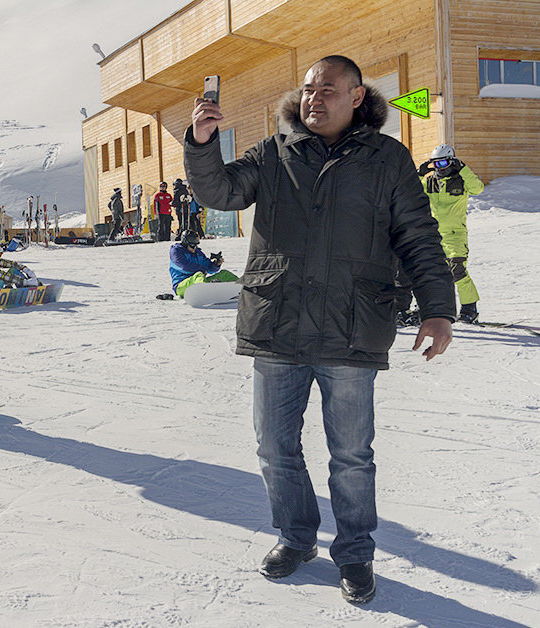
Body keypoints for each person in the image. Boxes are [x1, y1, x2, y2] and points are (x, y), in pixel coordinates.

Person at [184, 55, 456, 604]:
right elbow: (222, 194)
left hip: (352, 326)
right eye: (309, 89)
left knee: (352, 455)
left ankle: (354, 554)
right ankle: (296, 537)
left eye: (328, 89)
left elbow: (418, 236)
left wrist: (438, 307)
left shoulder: (387, 159)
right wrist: (201, 142)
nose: (314, 98)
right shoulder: (274, 152)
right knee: (274, 447)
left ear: (357, 97)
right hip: (277, 322)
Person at [400, 144, 485, 324]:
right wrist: (418, 174)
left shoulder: (461, 181)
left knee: (457, 270)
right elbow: (408, 192)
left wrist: (464, 169)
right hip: (432, 235)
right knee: (428, 273)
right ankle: (426, 309)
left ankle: (470, 308)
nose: (440, 168)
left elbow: (478, 188)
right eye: (436, 164)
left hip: (455, 235)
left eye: (444, 163)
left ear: (452, 162)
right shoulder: (429, 182)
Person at [169, 230, 237, 297]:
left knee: (224, 274)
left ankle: (243, 288)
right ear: (185, 243)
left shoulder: (198, 253)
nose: (194, 249)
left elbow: (208, 268)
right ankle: (208, 292)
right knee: (199, 274)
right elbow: (183, 266)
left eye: (196, 246)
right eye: (192, 246)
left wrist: (216, 264)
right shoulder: (176, 252)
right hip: (181, 286)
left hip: (199, 282)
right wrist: (202, 270)